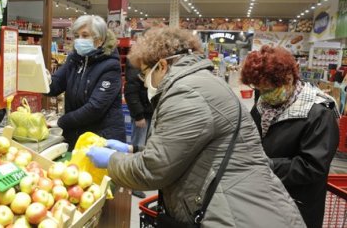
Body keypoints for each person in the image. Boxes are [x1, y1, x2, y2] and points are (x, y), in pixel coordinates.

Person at [86, 27, 305, 227]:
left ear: (162, 65)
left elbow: (153, 170)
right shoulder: (200, 82)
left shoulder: (187, 94)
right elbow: (183, 149)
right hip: (248, 204)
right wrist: (132, 151)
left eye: (145, 73)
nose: (144, 81)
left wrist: (111, 161)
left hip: (235, 214)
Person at [241, 46, 339, 228]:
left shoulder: (319, 114)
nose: (264, 94)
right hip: (264, 198)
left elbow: (312, 166)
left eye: (269, 89)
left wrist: (265, 165)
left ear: (289, 78)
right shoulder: (263, 104)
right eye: (259, 88)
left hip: (297, 207)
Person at [47, 15, 125, 150]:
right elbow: (55, 86)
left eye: (85, 35)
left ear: (99, 40)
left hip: (101, 139)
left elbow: (95, 108)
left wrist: (61, 122)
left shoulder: (110, 66)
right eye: (77, 35)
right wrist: (42, 79)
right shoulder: (74, 59)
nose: (79, 40)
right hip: (77, 135)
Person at [124, 60, 153, 199]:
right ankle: (133, 184)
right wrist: (139, 115)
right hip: (142, 115)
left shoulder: (152, 61)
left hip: (151, 113)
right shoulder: (136, 62)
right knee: (137, 149)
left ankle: (141, 179)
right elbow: (131, 91)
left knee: (146, 148)